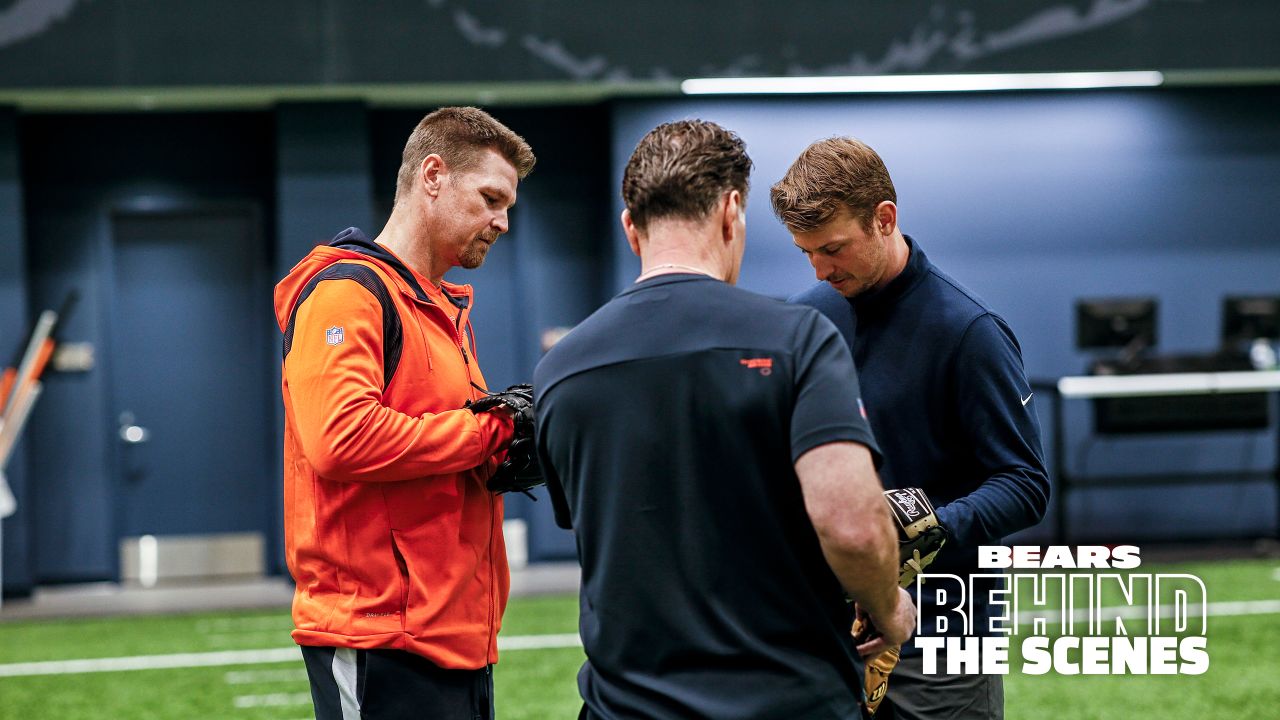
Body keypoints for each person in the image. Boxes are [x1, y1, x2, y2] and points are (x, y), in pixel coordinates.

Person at [534, 119, 915, 720]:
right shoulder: (798, 339)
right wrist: (890, 609)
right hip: (789, 701)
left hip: (627, 708)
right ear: (732, 211)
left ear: (631, 228)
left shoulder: (561, 368)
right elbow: (853, 527)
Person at [771, 137, 1051, 720]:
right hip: (827, 631)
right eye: (806, 253)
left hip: (945, 636)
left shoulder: (969, 331)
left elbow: (1025, 482)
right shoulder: (803, 322)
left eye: (833, 249)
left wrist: (921, 531)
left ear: (884, 219)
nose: (821, 269)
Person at [273, 106, 535, 720]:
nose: (502, 221)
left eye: (509, 207)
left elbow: (435, 441)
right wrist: (492, 429)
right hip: (377, 635)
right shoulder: (346, 290)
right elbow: (341, 438)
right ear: (434, 175)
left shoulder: (437, 307)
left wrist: (508, 448)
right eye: (492, 197)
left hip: (455, 632)